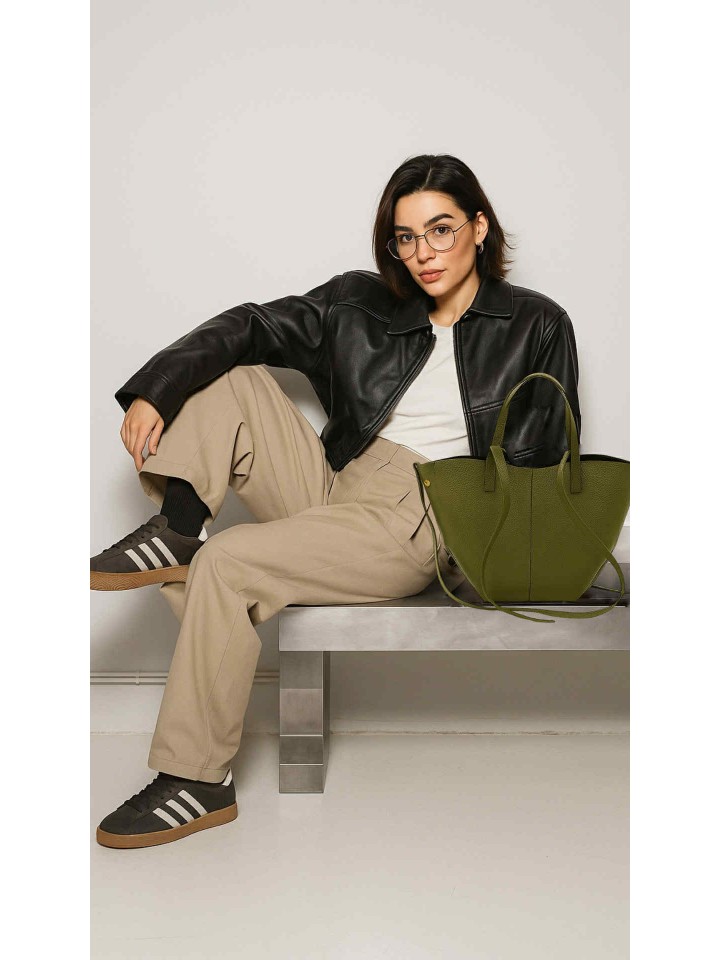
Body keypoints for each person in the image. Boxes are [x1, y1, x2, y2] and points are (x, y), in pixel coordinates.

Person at [91, 153, 581, 849]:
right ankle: (178, 529)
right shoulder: (361, 303)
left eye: (441, 230)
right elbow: (252, 324)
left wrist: (489, 558)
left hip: (426, 509)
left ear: (479, 228)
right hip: (340, 482)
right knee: (234, 378)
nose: (424, 252)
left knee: (228, 563)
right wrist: (157, 388)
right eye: (406, 237)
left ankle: (196, 780)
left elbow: (542, 461)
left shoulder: (537, 323)